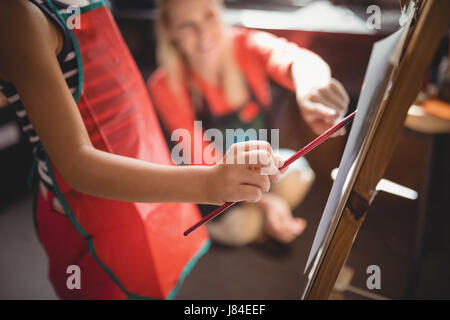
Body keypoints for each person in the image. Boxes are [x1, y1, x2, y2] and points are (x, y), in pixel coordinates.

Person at [0, 0, 283, 299]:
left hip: (143, 195)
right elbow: (76, 165)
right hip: (87, 214)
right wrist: (210, 183)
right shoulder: (19, 14)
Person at [148, 0, 350, 246]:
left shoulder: (245, 45)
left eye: (209, 16)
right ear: (169, 31)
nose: (202, 33)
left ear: (220, 10)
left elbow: (295, 59)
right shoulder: (165, 85)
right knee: (241, 228)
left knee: (299, 176)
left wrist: (311, 89)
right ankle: (237, 228)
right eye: (187, 25)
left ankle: (260, 224)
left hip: (258, 167)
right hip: (212, 181)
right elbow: (201, 159)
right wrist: (267, 202)